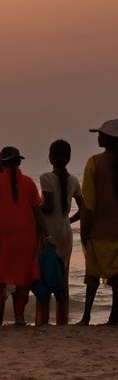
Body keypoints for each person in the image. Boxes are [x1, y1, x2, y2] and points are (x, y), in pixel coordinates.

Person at [0, 147, 50, 326]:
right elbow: (38, 212)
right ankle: (19, 317)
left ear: (2, 163)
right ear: (19, 162)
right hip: (26, 237)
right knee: (23, 279)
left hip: (4, 237)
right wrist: (47, 234)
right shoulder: (29, 182)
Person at [37, 140, 82, 325]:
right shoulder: (74, 180)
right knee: (62, 278)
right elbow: (83, 209)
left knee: (45, 276)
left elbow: (48, 206)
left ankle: (43, 319)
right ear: (69, 158)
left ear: (50, 157)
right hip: (65, 233)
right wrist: (68, 220)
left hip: (49, 233)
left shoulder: (46, 177)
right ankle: (62, 320)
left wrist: (34, 209)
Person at [79, 120, 118, 326]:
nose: (98, 137)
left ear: (107, 140)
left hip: (99, 231)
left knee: (92, 277)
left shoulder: (94, 163)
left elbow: (89, 204)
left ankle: (86, 316)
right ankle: (114, 317)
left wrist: (84, 230)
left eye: (101, 135)